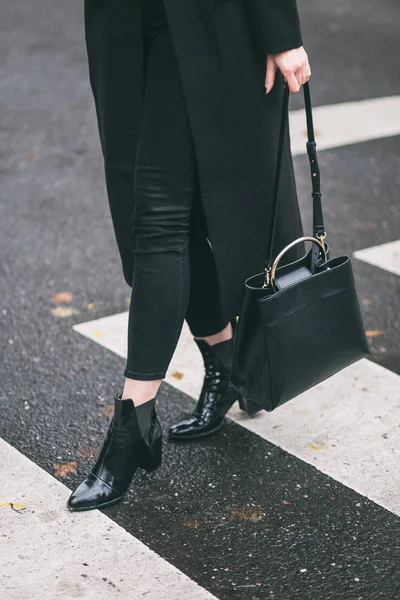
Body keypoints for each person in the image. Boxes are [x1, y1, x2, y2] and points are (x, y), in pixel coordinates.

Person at [67, 0, 311, 511]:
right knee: (172, 210)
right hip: (121, 25)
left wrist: (279, 30)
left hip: (209, 23)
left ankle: (134, 421)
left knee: (158, 216)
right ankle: (225, 359)